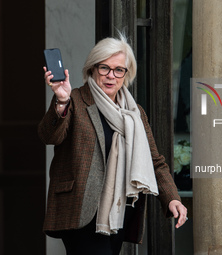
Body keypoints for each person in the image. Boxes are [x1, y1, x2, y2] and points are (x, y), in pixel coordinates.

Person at [38, 33, 187, 255]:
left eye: (119, 70)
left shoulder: (134, 113)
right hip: (82, 212)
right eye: (104, 68)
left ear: (127, 74)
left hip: (119, 213)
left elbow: (155, 161)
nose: (111, 76)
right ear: (92, 68)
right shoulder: (76, 101)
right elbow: (49, 136)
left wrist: (172, 198)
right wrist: (61, 101)